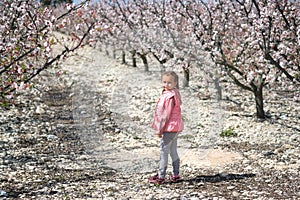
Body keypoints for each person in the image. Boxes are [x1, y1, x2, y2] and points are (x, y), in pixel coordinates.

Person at [148, 71, 184, 185]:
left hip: (169, 127)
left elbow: (166, 115)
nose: (166, 84)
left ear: (175, 83)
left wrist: (160, 129)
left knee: (164, 151)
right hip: (176, 127)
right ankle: (176, 174)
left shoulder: (170, 96)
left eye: (169, 82)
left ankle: (161, 176)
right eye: (164, 82)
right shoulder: (174, 93)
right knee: (173, 150)